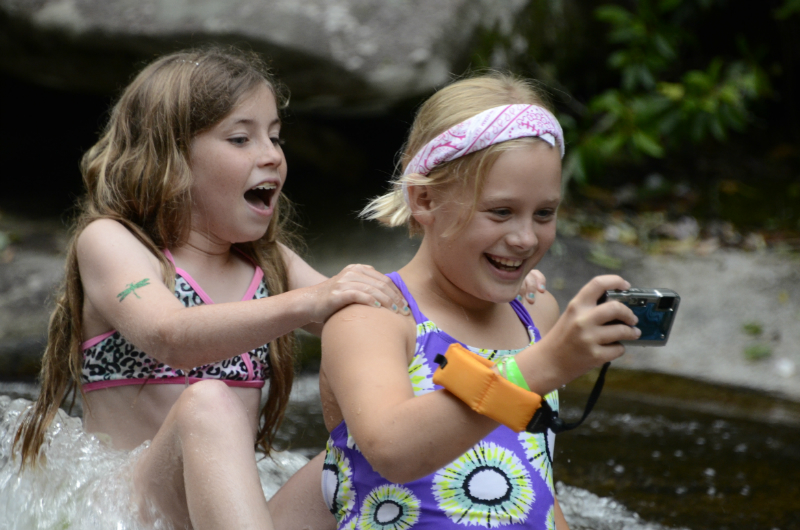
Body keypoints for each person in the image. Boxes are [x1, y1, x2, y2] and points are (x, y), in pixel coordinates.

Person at [8, 48, 547, 530]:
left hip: (223, 513)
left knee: (357, 454)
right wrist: (308, 301)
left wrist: (491, 281)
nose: (271, 154)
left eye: (275, 135)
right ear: (169, 159)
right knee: (208, 404)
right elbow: (167, 333)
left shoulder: (266, 263)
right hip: (130, 510)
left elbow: (383, 310)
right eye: (241, 138)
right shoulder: (114, 243)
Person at [318, 73, 642, 530]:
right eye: (501, 212)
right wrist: (538, 368)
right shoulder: (376, 316)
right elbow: (394, 451)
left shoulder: (535, 311)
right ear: (425, 199)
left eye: (544, 213)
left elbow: (535, 480)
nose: (526, 237)